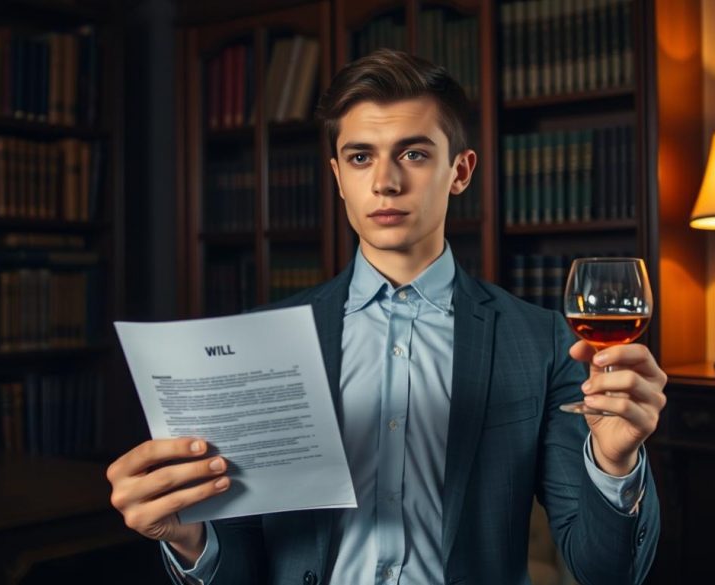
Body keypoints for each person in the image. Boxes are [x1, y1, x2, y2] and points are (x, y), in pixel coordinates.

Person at [106, 49, 667, 585]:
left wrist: (615, 465)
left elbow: (606, 572)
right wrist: (189, 540)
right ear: (337, 176)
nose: (385, 182)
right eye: (360, 157)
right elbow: (243, 569)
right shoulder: (264, 339)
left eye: (414, 154)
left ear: (461, 171)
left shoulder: (543, 343)